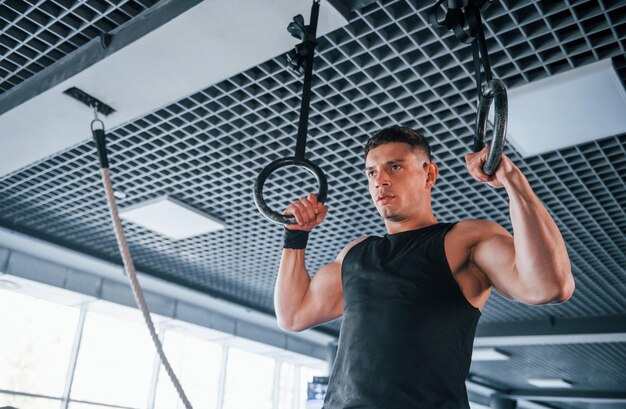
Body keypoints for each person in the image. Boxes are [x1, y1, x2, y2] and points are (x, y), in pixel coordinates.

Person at [274, 126, 575, 409]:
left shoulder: (464, 240)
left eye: (395, 166)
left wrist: (513, 181)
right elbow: (293, 315)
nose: (380, 180)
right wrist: (295, 236)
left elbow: (550, 286)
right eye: (371, 172)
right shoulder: (356, 253)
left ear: (429, 175)